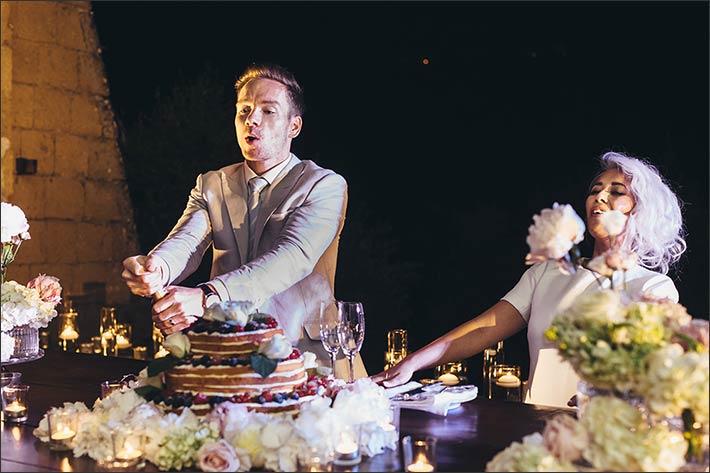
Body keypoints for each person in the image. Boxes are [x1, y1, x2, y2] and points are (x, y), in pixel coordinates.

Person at [371, 151, 686, 407]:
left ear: (641, 210)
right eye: (595, 190)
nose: (599, 197)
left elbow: (653, 370)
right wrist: (412, 363)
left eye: (616, 192)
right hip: (537, 431)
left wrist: (609, 396)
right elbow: (483, 329)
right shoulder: (547, 273)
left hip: (604, 434)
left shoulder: (652, 288)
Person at [121, 63, 367, 378]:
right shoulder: (211, 183)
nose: (252, 119)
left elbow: (291, 258)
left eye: (268, 111)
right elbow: (186, 241)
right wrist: (157, 267)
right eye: (244, 110)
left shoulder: (323, 185)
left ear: (294, 126)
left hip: (309, 356)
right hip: (229, 354)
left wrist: (208, 297)